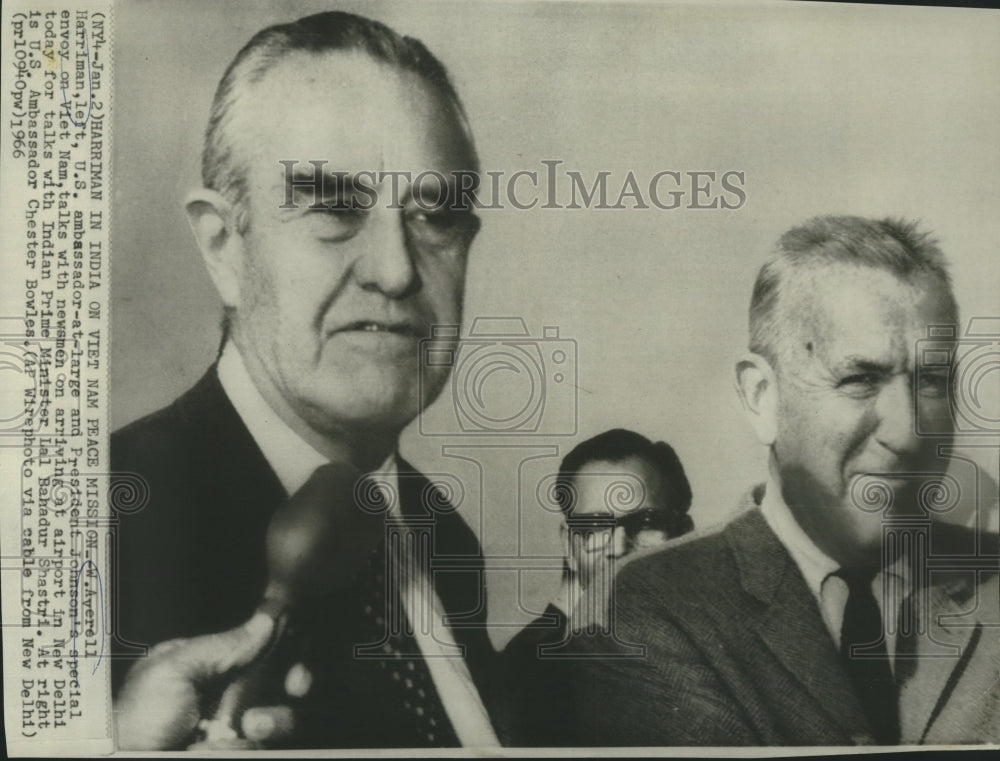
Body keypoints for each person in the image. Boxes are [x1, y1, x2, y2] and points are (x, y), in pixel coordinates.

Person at [110, 11, 500, 750]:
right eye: (334, 208)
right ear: (223, 246)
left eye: (434, 217)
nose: (396, 269)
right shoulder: (97, 525)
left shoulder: (440, 533)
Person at [573, 216, 1000, 746]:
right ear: (761, 398)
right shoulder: (654, 605)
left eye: (932, 381)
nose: (909, 433)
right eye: (860, 379)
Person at [500, 428, 694, 745]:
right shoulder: (534, 669)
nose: (617, 548)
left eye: (645, 522)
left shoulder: (715, 638)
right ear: (570, 546)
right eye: (594, 527)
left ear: (685, 535)